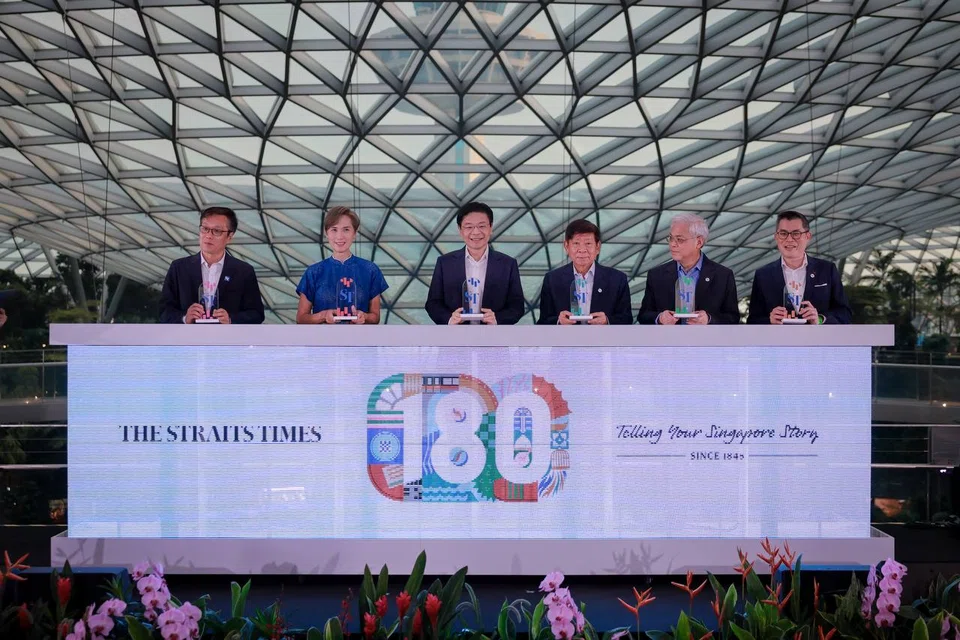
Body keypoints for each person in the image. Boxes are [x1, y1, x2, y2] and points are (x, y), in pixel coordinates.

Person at [159, 206, 265, 324]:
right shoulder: (179, 268)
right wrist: (185, 318)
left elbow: (256, 314)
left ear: (229, 236)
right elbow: (163, 311)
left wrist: (230, 319)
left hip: (226, 340)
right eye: (204, 229)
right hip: (188, 339)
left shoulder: (243, 271)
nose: (208, 235)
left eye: (217, 231)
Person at [425, 202, 525, 325]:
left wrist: (497, 319)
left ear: (491, 228)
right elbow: (433, 303)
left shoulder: (508, 264)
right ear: (460, 230)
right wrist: (450, 319)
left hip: (494, 338)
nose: (476, 232)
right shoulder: (445, 263)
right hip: (455, 338)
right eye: (469, 227)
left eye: (482, 226)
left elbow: (517, 306)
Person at [747, 211, 852, 325]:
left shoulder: (826, 270)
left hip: (817, 341)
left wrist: (820, 319)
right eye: (783, 233)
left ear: (807, 236)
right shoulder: (763, 275)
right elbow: (753, 320)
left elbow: (844, 313)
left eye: (796, 233)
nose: (789, 239)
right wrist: (770, 321)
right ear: (776, 237)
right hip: (779, 341)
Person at [637, 213, 739, 324]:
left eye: (679, 239)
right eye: (671, 238)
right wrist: (660, 318)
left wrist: (709, 319)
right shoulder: (657, 275)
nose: (672, 244)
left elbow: (733, 318)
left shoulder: (723, 276)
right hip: (669, 340)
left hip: (706, 340)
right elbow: (643, 316)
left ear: (699, 242)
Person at [296, 206, 388, 324]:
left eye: (346, 229)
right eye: (334, 229)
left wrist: (364, 316)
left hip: (360, 340)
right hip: (322, 340)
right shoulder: (314, 272)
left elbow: (375, 317)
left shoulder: (370, 270)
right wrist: (323, 316)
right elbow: (301, 318)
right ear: (326, 233)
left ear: (355, 233)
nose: (340, 236)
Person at [537, 219, 633, 325]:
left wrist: (607, 321)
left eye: (588, 243)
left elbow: (627, 319)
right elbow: (543, 321)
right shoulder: (552, 279)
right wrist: (559, 321)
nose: (582, 249)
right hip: (565, 340)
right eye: (576, 243)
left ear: (598, 247)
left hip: (603, 340)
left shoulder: (617, 279)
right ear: (566, 246)